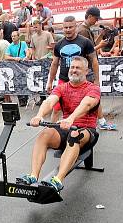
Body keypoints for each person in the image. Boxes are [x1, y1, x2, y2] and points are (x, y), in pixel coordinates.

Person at [18, 56, 101, 192]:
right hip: (66, 126)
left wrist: (72, 118)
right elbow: (49, 102)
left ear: (86, 71)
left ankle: (58, 180)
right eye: (72, 67)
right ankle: (33, 176)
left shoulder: (93, 89)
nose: (74, 70)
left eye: (78, 68)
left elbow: (87, 104)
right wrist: (39, 115)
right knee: (45, 134)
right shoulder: (62, 88)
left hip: (87, 131)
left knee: (74, 135)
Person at [47, 16, 99, 123]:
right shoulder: (59, 44)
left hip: (80, 81)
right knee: (56, 109)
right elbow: (54, 64)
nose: (68, 29)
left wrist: (97, 80)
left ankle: (88, 127)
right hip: (63, 80)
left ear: (75, 27)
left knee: (83, 107)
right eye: (65, 27)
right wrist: (50, 82)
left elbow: (94, 61)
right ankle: (51, 131)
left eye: (70, 27)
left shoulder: (86, 42)